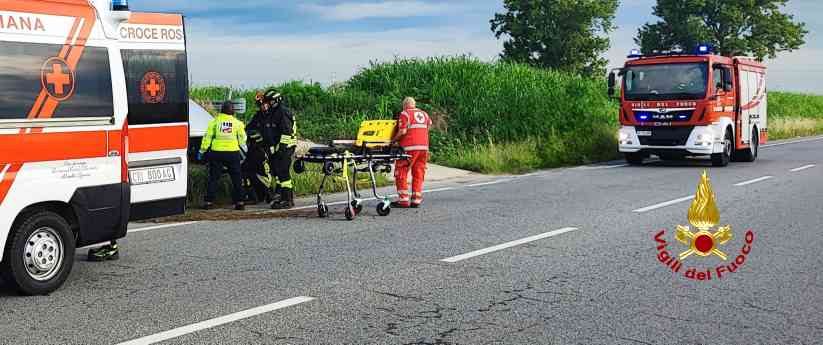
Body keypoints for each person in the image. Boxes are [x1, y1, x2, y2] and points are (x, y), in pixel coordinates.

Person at [247, 89, 298, 210]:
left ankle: (287, 200)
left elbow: (286, 133)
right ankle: (283, 197)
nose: (268, 104)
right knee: (279, 172)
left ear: (276, 100)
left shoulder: (282, 112)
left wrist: (281, 150)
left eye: (270, 101)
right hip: (277, 148)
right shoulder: (273, 112)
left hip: (286, 147)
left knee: (283, 173)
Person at [200, 101, 247, 210]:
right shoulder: (237, 123)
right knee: (236, 178)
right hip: (233, 153)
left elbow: (207, 138)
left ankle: (208, 202)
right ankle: (240, 202)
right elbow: (243, 139)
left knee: (214, 178)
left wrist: (202, 151)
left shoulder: (215, 122)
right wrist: (242, 149)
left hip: (217, 153)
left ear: (221, 110)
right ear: (233, 111)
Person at [391, 97, 432, 208]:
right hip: (424, 148)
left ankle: (403, 200)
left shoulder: (405, 114)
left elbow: (403, 131)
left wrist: (393, 140)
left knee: (401, 171)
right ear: (414, 104)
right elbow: (428, 127)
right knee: (418, 172)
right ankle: (416, 200)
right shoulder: (424, 114)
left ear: (404, 105)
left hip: (409, 148)